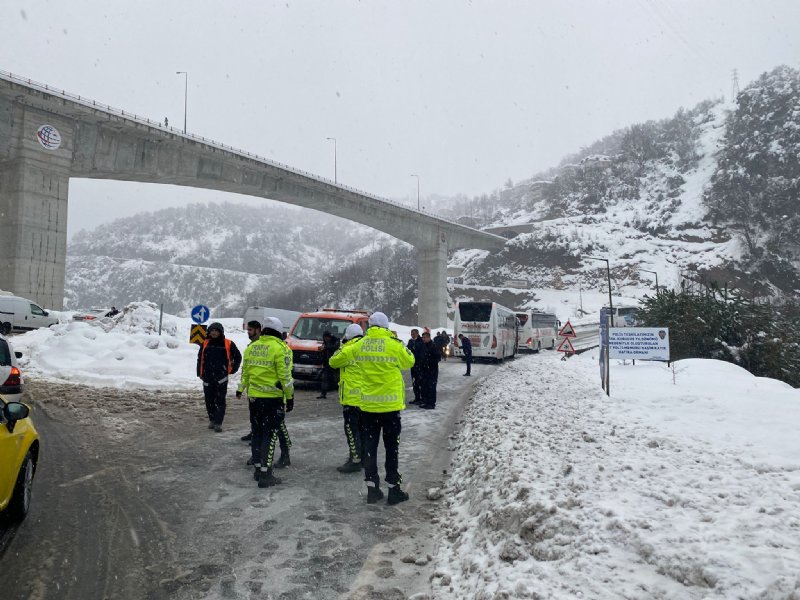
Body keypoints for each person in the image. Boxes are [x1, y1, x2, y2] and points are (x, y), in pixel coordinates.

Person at [329, 311, 415, 504]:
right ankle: (394, 490)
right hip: (390, 408)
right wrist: (396, 342)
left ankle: (372, 490)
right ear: (386, 327)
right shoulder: (394, 345)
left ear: (368, 327)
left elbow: (333, 361)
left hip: (367, 408)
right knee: (392, 450)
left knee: (370, 449)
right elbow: (410, 361)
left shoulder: (359, 345)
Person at [236, 316, 294, 488]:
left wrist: (241, 389)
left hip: (254, 399)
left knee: (257, 433)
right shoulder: (280, 349)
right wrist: (290, 397)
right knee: (270, 435)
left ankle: (258, 468)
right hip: (273, 400)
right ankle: (266, 474)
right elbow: (285, 377)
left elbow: (245, 373)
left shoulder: (252, 348)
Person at [197, 322, 242, 432]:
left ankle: (218, 422)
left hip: (221, 378)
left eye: (216, 330)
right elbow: (200, 359)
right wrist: (199, 373)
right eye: (212, 330)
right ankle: (212, 419)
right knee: (209, 400)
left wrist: (233, 369)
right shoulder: (205, 343)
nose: (214, 332)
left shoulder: (228, 343)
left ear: (220, 332)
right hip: (207, 377)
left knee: (220, 400)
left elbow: (238, 356)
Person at [333, 323, 366, 473]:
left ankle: (355, 460)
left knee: (351, 430)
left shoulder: (347, 350)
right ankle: (363, 457)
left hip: (351, 398)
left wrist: (342, 346)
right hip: (365, 397)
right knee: (363, 430)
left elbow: (333, 361)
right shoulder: (367, 347)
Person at [418, 331, 441, 409]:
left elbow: (438, 357)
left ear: (428, 337)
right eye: (422, 338)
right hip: (424, 370)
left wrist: (429, 362)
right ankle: (426, 401)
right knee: (425, 386)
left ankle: (431, 403)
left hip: (432, 370)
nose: (423, 339)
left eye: (424, 337)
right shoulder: (423, 345)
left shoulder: (433, 346)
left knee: (431, 387)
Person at [317, 331, 340, 399]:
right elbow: (324, 352)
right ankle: (323, 394)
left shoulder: (336, 340)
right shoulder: (325, 342)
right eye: (325, 338)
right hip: (327, 363)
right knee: (325, 378)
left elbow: (335, 347)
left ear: (329, 337)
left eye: (327, 338)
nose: (326, 339)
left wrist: (326, 347)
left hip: (336, 363)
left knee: (338, 380)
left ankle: (341, 394)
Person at [406, 328, 424, 404]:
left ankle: (421, 398)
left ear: (417, 333)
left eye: (413, 334)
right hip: (413, 365)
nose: (412, 335)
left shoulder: (421, 341)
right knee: (414, 382)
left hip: (419, 364)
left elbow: (420, 351)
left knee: (420, 382)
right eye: (411, 334)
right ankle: (416, 397)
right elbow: (407, 350)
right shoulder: (410, 341)